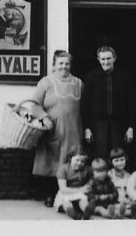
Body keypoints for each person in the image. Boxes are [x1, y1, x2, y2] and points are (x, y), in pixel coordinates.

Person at [29, 49, 83, 207]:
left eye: (67, 63)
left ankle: (71, 196)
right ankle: (50, 196)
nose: (64, 66)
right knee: (51, 164)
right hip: (53, 131)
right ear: (54, 65)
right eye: (60, 63)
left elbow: (84, 107)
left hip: (74, 130)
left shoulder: (79, 83)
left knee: (70, 163)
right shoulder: (46, 82)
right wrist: (44, 118)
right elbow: (34, 105)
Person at [81, 45, 136, 161]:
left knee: (118, 157)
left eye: (108, 58)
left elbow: (131, 104)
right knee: (100, 156)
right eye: (103, 59)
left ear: (114, 58)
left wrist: (131, 127)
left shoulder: (124, 77)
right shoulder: (92, 77)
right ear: (98, 59)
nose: (106, 62)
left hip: (119, 125)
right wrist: (87, 128)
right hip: (98, 125)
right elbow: (85, 104)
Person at [55, 146, 92, 219]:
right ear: (70, 158)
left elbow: (92, 178)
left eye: (82, 161)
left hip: (79, 193)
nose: (79, 163)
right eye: (77, 160)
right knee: (66, 202)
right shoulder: (64, 169)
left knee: (83, 200)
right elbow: (63, 189)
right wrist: (80, 189)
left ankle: (86, 212)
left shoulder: (86, 169)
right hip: (66, 193)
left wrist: (88, 186)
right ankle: (73, 214)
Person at [108, 147, 132, 217]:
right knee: (115, 209)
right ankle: (119, 213)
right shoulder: (110, 174)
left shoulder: (128, 175)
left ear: (125, 159)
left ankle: (124, 212)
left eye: (122, 160)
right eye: (116, 161)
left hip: (126, 200)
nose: (120, 163)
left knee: (134, 207)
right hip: (114, 200)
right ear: (111, 162)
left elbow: (130, 190)